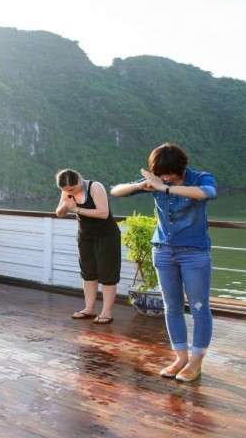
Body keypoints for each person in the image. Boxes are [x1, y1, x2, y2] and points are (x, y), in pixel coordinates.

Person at [110, 142, 217, 382]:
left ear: (181, 168)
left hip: (194, 252)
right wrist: (142, 185)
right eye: (160, 174)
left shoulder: (200, 178)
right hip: (163, 251)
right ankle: (180, 358)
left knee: (199, 307)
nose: (165, 178)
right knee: (172, 306)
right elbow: (116, 191)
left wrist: (166, 189)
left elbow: (207, 193)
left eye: (169, 173)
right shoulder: (157, 180)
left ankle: (196, 362)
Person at [55, 169, 121, 324]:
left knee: (107, 274)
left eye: (71, 189)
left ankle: (107, 312)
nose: (69, 192)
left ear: (78, 180)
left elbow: (103, 213)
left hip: (106, 236)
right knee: (88, 273)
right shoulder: (67, 190)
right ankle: (89, 309)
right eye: (65, 191)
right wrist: (65, 207)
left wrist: (76, 209)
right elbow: (59, 213)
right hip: (85, 236)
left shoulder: (95, 187)